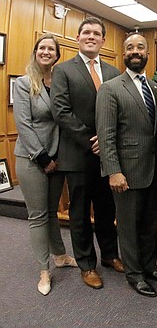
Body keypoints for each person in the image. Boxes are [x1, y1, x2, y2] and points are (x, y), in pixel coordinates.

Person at [96, 33, 157, 298]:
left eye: (140, 47)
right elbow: (106, 134)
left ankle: (150, 267)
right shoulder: (111, 87)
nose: (135, 51)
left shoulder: (155, 88)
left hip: (154, 170)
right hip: (126, 172)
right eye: (130, 47)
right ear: (124, 53)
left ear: (147, 54)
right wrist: (113, 171)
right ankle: (135, 274)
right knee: (129, 226)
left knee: (150, 223)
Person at [51, 17, 123, 290]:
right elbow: (61, 110)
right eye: (86, 32)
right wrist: (90, 140)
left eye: (96, 33)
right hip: (78, 155)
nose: (91, 36)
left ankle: (110, 255)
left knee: (107, 209)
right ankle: (86, 264)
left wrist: (106, 144)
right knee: (80, 213)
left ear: (103, 40)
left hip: (108, 157)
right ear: (78, 37)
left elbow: (120, 111)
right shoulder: (63, 70)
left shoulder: (114, 71)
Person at [13, 33, 77, 296]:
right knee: (38, 215)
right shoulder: (24, 83)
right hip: (32, 159)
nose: (46, 52)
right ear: (36, 52)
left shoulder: (61, 83)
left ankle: (60, 256)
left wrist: (56, 158)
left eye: (51, 48)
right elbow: (23, 124)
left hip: (58, 158)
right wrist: (42, 157)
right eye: (42, 48)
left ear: (57, 54)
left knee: (52, 212)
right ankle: (43, 269)